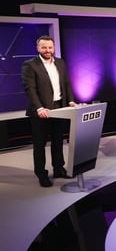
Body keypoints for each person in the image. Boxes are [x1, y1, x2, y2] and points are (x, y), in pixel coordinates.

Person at [22, 36, 77, 187]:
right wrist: (39, 107)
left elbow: (66, 83)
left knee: (58, 141)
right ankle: (41, 174)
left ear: (53, 48)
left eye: (50, 47)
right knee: (40, 145)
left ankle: (59, 169)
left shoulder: (60, 62)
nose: (48, 50)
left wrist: (70, 100)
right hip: (41, 111)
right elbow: (30, 89)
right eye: (44, 47)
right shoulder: (30, 65)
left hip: (59, 107)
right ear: (38, 48)